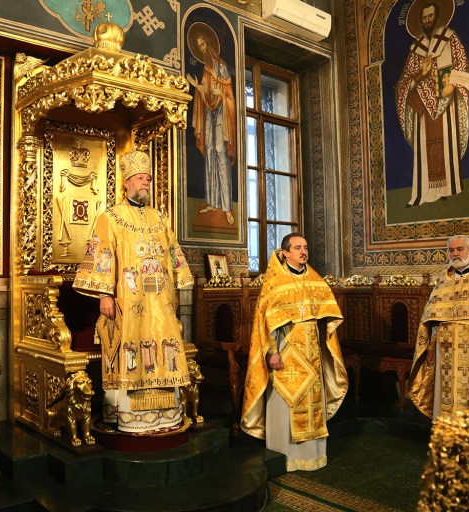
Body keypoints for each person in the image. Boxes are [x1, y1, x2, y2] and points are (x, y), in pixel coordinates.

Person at [73, 150, 194, 433]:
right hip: (128, 299)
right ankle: (127, 416)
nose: (145, 183)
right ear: (127, 182)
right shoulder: (110, 217)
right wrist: (105, 294)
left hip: (161, 302)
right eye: (140, 178)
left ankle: (167, 415)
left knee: (167, 348)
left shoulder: (160, 218)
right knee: (128, 347)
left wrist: (178, 285)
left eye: (148, 179)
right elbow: (102, 254)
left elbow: (173, 254)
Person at [241, 233, 347, 471]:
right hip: (286, 354)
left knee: (312, 406)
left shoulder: (315, 279)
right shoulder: (274, 282)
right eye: (298, 248)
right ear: (285, 252)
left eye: (305, 247)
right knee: (285, 404)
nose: (303, 252)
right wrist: (271, 353)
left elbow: (328, 314)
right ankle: (284, 458)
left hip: (311, 354)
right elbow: (265, 323)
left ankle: (312, 457)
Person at [408, 235, 469, 419]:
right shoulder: (443, 281)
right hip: (445, 349)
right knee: (447, 392)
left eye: (460, 249)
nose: (455, 254)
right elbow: (434, 321)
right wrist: (430, 348)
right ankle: (447, 437)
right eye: (451, 250)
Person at [395, 0, 469, 207]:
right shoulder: (416, 48)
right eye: (424, 17)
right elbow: (404, 82)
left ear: (437, 17)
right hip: (422, 105)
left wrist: (453, 84)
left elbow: (462, 63)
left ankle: (449, 188)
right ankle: (424, 193)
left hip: (446, 99)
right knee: (424, 148)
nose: (428, 20)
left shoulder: (450, 38)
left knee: (447, 142)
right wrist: (422, 72)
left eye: (430, 16)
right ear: (420, 21)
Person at [186, 22, 237, 225]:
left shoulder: (222, 66)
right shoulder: (207, 68)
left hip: (222, 113)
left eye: (203, 44)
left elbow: (228, 94)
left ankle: (227, 207)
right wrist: (197, 87)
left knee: (219, 152)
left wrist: (221, 94)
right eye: (199, 46)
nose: (202, 48)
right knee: (209, 152)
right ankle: (213, 202)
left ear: (209, 44)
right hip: (210, 113)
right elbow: (207, 93)